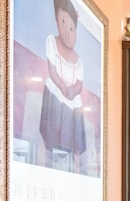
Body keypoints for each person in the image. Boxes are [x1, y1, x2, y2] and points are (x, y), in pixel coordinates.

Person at [39, 0, 86, 173]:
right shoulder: (52, 42)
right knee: (55, 108)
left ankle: (76, 158)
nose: (67, 31)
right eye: (62, 22)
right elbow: (52, 70)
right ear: (56, 22)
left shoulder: (78, 60)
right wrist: (61, 85)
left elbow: (79, 84)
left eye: (71, 28)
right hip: (56, 90)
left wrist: (73, 90)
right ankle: (48, 152)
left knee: (76, 109)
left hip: (71, 96)